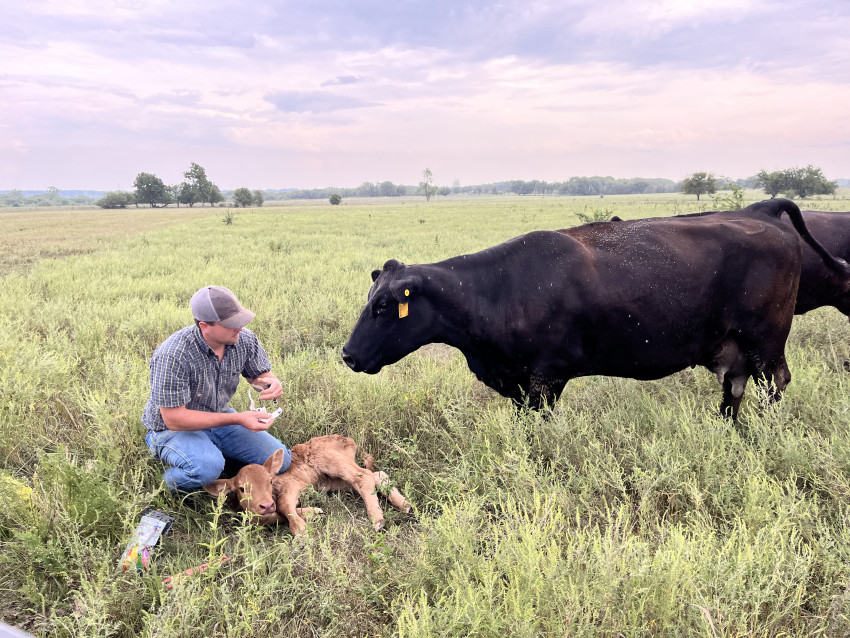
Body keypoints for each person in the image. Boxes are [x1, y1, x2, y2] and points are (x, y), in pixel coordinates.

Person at [142, 285, 291, 493]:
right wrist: (238, 418)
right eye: (231, 324)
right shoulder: (173, 355)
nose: (239, 327)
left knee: (281, 459)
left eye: (240, 320)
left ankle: (215, 455)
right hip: (172, 430)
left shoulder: (243, 339)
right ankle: (160, 487)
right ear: (205, 326)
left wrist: (270, 382)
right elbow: (174, 419)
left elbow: (258, 374)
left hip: (219, 417)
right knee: (206, 469)